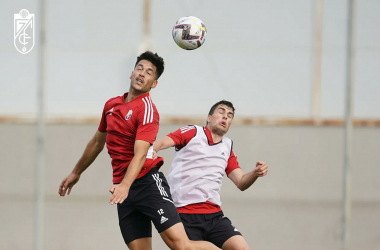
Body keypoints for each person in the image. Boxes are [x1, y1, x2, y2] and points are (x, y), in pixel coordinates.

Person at [58, 51, 220, 250]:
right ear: (131, 73)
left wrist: (126, 185)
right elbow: (97, 143)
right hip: (123, 187)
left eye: (149, 72)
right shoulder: (111, 105)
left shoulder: (147, 110)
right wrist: (76, 172)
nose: (142, 73)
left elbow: (141, 153)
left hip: (147, 183)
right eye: (140, 68)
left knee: (181, 245)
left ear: (154, 84)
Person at [153, 100, 269, 250]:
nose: (225, 117)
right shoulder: (192, 132)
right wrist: (147, 154)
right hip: (184, 214)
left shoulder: (227, 147)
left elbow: (241, 182)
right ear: (209, 118)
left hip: (214, 216)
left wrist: (255, 173)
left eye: (230, 115)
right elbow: (161, 143)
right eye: (221, 112)